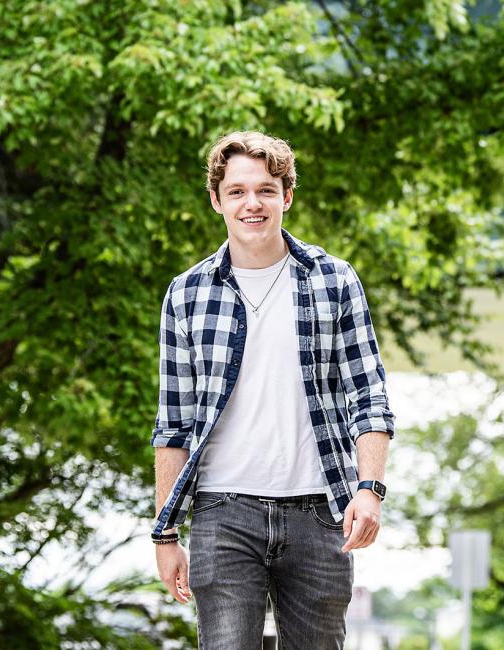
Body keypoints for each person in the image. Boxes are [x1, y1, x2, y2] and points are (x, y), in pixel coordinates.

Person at [149, 130, 394, 649]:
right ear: (217, 201)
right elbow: (174, 422)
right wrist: (165, 532)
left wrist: (369, 490)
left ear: (287, 196)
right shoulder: (188, 293)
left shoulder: (334, 281)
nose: (251, 203)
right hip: (223, 511)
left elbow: (368, 395)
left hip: (318, 511)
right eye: (237, 191)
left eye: (265, 189)